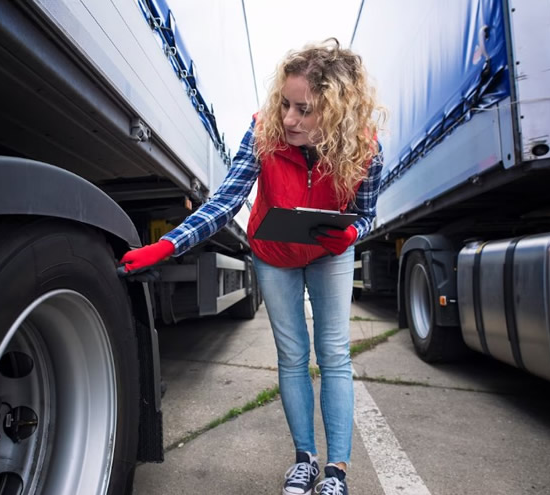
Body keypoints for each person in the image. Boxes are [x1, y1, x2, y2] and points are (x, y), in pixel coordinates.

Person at [120, 38, 384, 495]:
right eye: (285, 104)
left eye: (303, 109)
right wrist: (167, 244)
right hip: (273, 252)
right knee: (292, 354)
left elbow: (365, 214)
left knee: (335, 354)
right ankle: (305, 458)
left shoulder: (366, 150)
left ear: (336, 110)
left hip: (328, 252)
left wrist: (351, 235)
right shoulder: (264, 131)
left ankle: (336, 472)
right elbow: (226, 201)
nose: (288, 119)